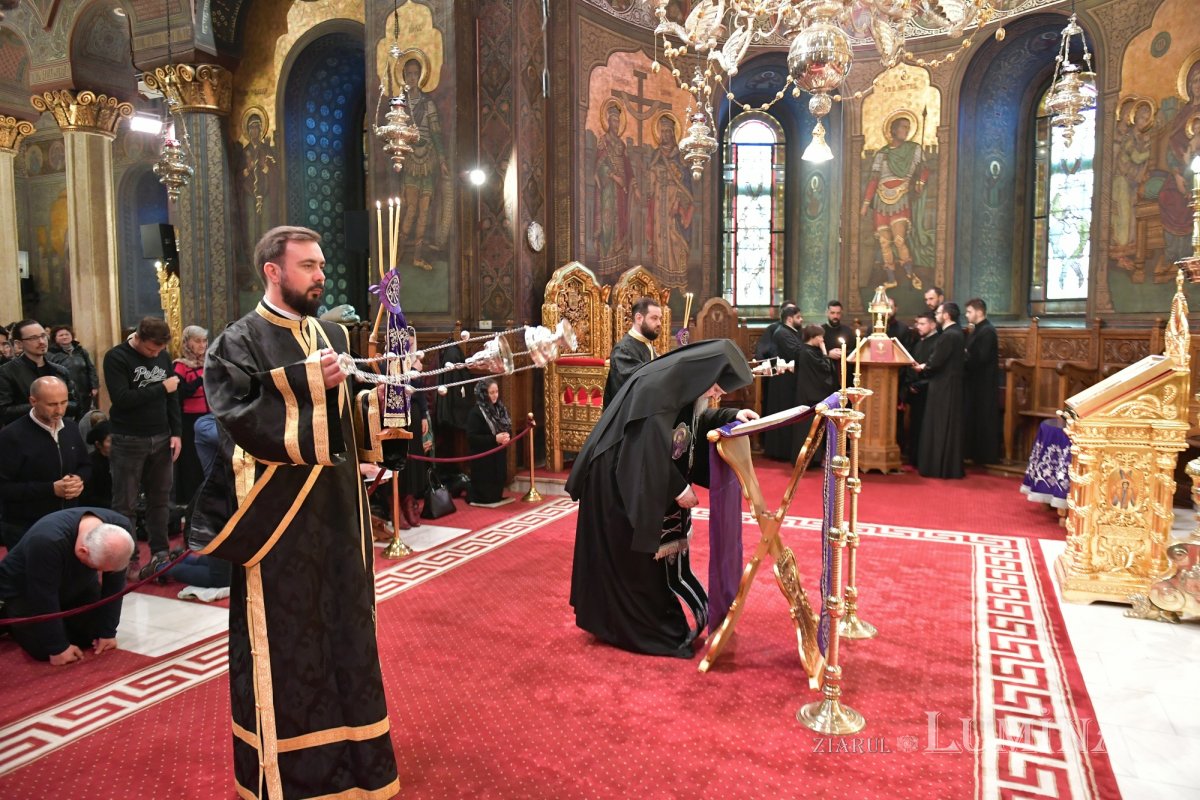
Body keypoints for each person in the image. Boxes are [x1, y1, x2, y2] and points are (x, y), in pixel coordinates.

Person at [202, 225, 398, 798]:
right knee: (291, 643)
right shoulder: (236, 344)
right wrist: (309, 384)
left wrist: (378, 407)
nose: (321, 276)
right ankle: (294, 775)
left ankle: (360, 763)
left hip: (338, 513)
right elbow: (237, 423)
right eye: (308, 266)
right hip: (280, 528)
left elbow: (341, 420)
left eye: (320, 265)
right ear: (273, 271)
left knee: (347, 630)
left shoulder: (329, 331)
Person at [567, 339, 757, 659]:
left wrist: (733, 415)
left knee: (641, 562)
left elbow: (690, 425)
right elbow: (643, 447)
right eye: (716, 389)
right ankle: (636, 626)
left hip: (634, 472)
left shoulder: (684, 382)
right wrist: (676, 487)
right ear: (705, 373)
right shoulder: (660, 385)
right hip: (615, 480)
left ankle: (631, 619)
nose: (716, 394)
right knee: (631, 558)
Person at [0, 507, 133, 664]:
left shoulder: (119, 531)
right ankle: (7, 613)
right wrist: (58, 647)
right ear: (83, 551)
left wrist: (108, 632)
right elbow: (43, 596)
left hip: (76, 583)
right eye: (98, 569)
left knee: (94, 633)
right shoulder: (47, 540)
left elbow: (115, 585)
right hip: (25, 588)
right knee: (44, 650)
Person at [103, 317, 181, 578]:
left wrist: (177, 433)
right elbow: (122, 399)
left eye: (159, 350)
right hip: (129, 438)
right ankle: (128, 558)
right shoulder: (116, 357)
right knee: (125, 503)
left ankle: (160, 553)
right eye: (151, 349)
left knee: (160, 500)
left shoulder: (163, 356)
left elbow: (173, 397)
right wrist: (161, 387)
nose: (155, 354)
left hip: (161, 436)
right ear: (137, 337)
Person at [0, 377, 91, 549]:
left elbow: (85, 465)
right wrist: (51, 489)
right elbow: (4, 488)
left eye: (64, 402)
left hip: (68, 521)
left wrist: (79, 480)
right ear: (33, 401)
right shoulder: (11, 436)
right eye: (52, 404)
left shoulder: (71, 428)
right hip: (26, 527)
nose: (60, 410)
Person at [861, 115, 929, 290]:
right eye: (903, 127)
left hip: (900, 199)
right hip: (882, 201)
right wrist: (865, 203)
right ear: (893, 130)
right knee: (884, 243)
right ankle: (891, 279)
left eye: (908, 128)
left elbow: (925, 169)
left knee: (899, 240)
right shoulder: (882, 154)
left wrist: (920, 182)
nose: (906, 131)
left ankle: (909, 274)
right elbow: (874, 180)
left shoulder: (914, 149)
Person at [915, 302, 965, 479]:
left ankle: (936, 466)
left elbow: (936, 361)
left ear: (946, 315)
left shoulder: (948, 335)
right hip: (951, 383)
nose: (936, 315)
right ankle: (946, 466)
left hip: (943, 385)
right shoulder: (957, 333)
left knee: (940, 425)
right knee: (947, 425)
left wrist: (924, 367)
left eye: (938, 313)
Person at [0, 320, 78, 426]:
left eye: (43, 336)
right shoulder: (6, 372)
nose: (42, 341)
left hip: (58, 430)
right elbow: (4, 411)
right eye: (33, 338)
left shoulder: (60, 371)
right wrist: (40, 406)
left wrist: (57, 405)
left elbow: (76, 405)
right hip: (24, 433)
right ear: (19, 343)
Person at [784, 325, 836, 463]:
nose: (822, 339)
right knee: (806, 428)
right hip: (809, 395)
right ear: (812, 337)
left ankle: (812, 458)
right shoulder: (807, 353)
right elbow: (825, 368)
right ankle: (807, 459)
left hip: (808, 393)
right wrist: (825, 352)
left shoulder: (809, 351)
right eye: (820, 336)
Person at [173, 325, 210, 506]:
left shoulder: (210, 362)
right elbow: (179, 394)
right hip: (190, 420)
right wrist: (200, 380)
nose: (202, 345)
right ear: (187, 343)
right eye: (197, 341)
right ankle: (189, 500)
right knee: (191, 461)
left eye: (204, 341)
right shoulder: (180, 366)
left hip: (210, 417)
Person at [761, 303, 803, 461]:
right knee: (782, 412)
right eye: (799, 317)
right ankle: (780, 451)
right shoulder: (782, 333)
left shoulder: (790, 332)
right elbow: (796, 353)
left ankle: (785, 450)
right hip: (782, 381)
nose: (801, 319)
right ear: (790, 319)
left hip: (788, 380)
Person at [603, 296, 662, 405]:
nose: (659, 323)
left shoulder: (646, 344)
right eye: (654, 318)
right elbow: (638, 384)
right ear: (639, 318)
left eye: (660, 318)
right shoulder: (623, 350)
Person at [963, 298, 1000, 465]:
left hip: (984, 382)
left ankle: (985, 455)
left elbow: (982, 357)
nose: (966, 315)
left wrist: (965, 355)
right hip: (974, 381)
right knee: (974, 416)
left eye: (969, 311)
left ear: (979, 312)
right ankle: (974, 453)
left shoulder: (987, 331)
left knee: (984, 417)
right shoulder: (977, 330)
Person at [466, 378, 512, 505]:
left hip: (498, 455)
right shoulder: (476, 413)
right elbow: (472, 438)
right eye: (491, 392)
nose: (495, 395)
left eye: (496, 391)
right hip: (483, 458)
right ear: (484, 394)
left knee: (497, 487)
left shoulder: (500, 408)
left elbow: (507, 426)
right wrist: (494, 439)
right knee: (485, 495)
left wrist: (507, 436)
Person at [902, 312, 939, 467]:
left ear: (932, 324)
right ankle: (915, 458)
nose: (918, 327)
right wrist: (911, 384)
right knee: (915, 425)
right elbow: (912, 365)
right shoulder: (918, 342)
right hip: (915, 391)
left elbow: (936, 368)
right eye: (918, 324)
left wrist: (921, 384)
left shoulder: (938, 342)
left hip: (930, 392)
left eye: (922, 324)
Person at [48, 325, 99, 416]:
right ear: (54, 338)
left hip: (84, 390)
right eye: (61, 335)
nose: (64, 337)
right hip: (64, 391)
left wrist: (94, 386)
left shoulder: (81, 351)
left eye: (67, 334)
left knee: (85, 415)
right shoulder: (50, 353)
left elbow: (91, 369)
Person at [80, 420, 113, 509]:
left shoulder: (123, 460)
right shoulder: (90, 464)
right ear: (98, 444)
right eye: (110, 441)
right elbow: (87, 497)